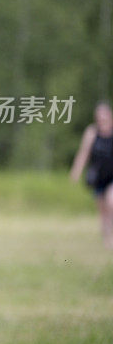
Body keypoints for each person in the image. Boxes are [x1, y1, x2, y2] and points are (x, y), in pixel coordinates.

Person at [70, 101, 113, 248]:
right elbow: (84, 153)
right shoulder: (92, 132)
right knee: (102, 210)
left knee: (111, 202)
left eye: (104, 116)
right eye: (99, 117)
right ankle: (106, 238)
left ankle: (111, 236)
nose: (101, 120)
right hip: (98, 177)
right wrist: (76, 171)